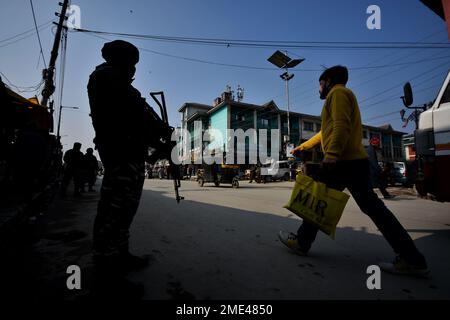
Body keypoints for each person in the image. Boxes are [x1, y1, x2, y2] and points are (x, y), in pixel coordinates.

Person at [278, 66, 428, 277]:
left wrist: (332, 155)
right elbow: (325, 132)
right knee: (370, 208)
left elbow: (340, 126)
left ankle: (301, 243)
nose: (318, 89)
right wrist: (303, 147)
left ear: (328, 81)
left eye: (320, 84)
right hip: (353, 162)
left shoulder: (337, 93)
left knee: (319, 199)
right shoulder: (342, 95)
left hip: (342, 162)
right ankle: (413, 258)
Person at [87, 40, 171, 283]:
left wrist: (157, 138)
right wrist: (157, 132)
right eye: (131, 63)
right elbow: (131, 118)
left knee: (123, 212)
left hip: (128, 155)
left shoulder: (117, 82)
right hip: (120, 154)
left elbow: (138, 118)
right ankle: (106, 271)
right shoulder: (107, 78)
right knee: (115, 211)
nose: (134, 70)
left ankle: (119, 255)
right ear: (120, 60)